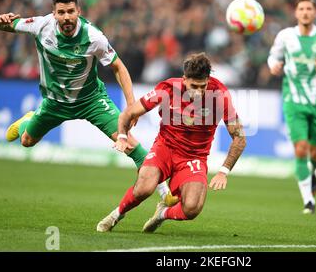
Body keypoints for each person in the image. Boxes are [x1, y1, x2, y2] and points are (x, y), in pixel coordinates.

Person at [0, 0, 177, 206]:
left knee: (128, 143)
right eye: (61, 12)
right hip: (55, 103)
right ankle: (27, 120)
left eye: (71, 11)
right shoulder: (41, 26)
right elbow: (3, 25)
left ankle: (165, 193)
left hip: (91, 101)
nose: (67, 17)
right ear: (54, 14)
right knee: (26, 142)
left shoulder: (93, 37)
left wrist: (131, 104)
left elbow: (119, 67)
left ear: (78, 12)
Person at [96, 52, 246, 233]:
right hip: (165, 148)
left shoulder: (220, 95)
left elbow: (239, 137)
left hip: (194, 157)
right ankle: (116, 214)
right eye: (193, 86)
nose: (198, 92)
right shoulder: (168, 89)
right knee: (144, 188)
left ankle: (162, 213)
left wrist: (223, 172)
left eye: (202, 86)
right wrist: (121, 137)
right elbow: (127, 114)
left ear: (208, 80)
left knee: (192, 209)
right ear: (184, 79)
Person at [267, 0, 316, 214]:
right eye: (301, 9)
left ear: (315, 12)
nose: (305, 12)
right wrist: (274, 66)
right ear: (296, 13)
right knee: (300, 149)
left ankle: (313, 171)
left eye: (309, 8)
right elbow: (272, 57)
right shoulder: (285, 36)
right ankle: (308, 200)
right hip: (293, 101)